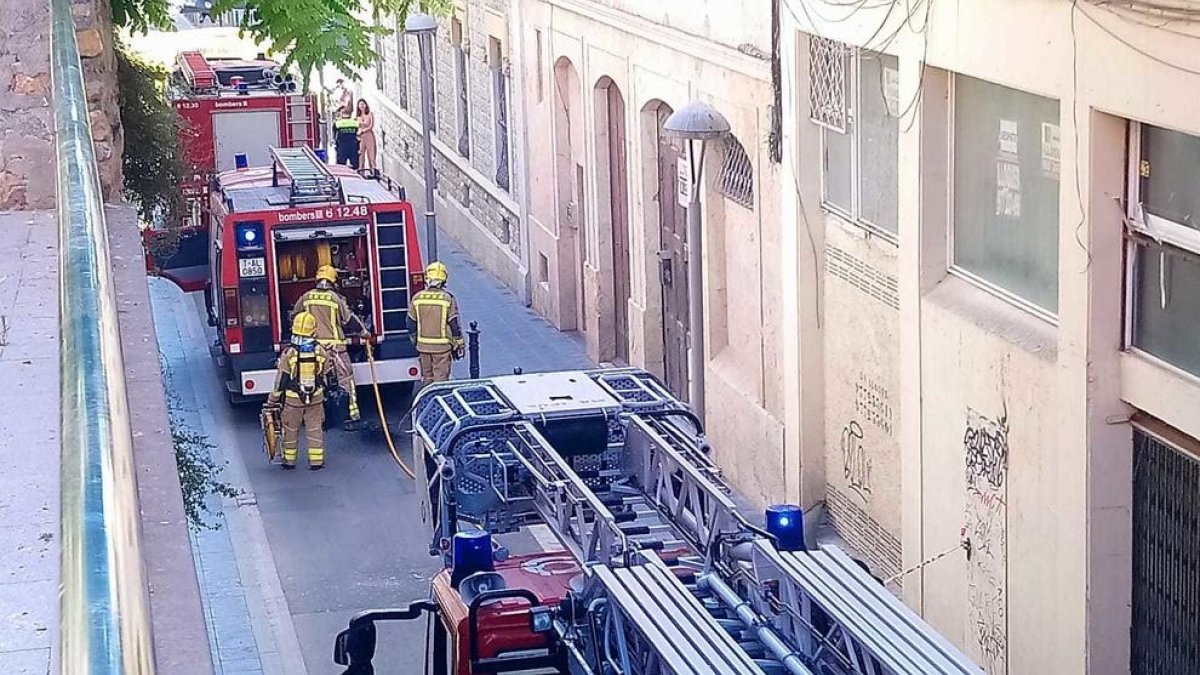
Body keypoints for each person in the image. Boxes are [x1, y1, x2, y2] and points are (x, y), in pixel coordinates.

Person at [293, 265, 371, 425]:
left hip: (314, 349)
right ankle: (351, 414)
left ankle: (320, 417)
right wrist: (364, 332)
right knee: (345, 378)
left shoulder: (306, 297)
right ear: (333, 281)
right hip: (336, 349)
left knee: (317, 382)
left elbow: (295, 315)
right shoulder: (335, 299)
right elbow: (349, 320)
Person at [266, 312, 336, 470]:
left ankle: (289, 462)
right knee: (315, 428)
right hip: (315, 398)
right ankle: (316, 462)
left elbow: (281, 380)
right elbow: (327, 374)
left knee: (290, 430)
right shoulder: (320, 351)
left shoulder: (289, 354)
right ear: (313, 330)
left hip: (293, 400)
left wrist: (273, 400)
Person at [407, 261, 464, 387]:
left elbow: (410, 323)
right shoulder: (448, 299)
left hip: (423, 348)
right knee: (441, 381)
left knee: (427, 379)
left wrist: (415, 341)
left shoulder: (417, 298)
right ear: (443, 280)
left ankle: (428, 402)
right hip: (442, 349)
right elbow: (454, 324)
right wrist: (459, 343)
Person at [356, 99, 378, 178]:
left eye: (363, 104)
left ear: (366, 105)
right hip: (361, 137)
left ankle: (373, 171)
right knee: (361, 154)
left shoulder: (370, 114)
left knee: (371, 154)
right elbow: (356, 126)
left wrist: (364, 130)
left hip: (368, 135)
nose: (361, 106)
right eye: (360, 104)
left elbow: (371, 125)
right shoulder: (357, 116)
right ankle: (361, 172)